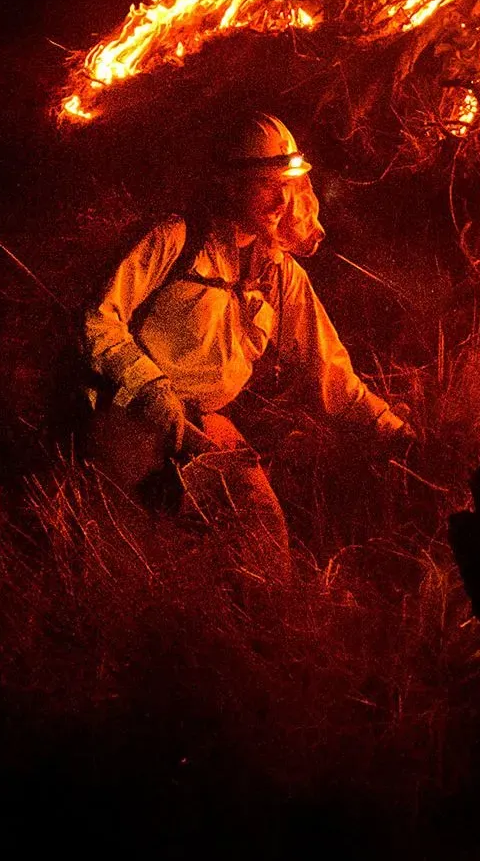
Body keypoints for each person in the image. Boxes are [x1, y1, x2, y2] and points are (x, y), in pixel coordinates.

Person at [80, 111, 409, 565]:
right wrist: (152, 391)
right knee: (132, 556)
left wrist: (394, 434)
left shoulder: (280, 273)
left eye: (289, 184)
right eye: (267, 184)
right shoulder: (176, 242)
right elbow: (99, 319)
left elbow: (329, 372)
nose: (282, 199)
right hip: (133, 417)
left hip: (206, 423)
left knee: (263, 536)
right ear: (230, 186)